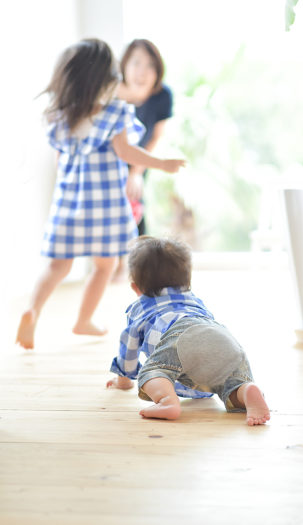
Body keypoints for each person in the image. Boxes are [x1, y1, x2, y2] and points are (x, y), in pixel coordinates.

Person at [15, 39, 185, 350]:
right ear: (103, 79)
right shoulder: (115, 113)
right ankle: (84, 320)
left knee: (57, 267)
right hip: (105, 208)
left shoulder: (59, 118)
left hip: (68, 206)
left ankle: (32, 310)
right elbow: (126, 151)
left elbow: (59, 159)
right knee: (105, 266)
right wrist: (161, 163)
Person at [106, 236, 270, 425]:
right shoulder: (194, 300)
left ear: (136, 288)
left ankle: (167, 401)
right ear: (187, 281)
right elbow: (202, 347)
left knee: (153, 371)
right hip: (220, 336)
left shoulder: (141, 308)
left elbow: (129, 345)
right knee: (229, 382)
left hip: (179, 334)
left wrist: (124, 379)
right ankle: (245, 390)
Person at [112, 39, 173, 281]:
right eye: (136, 63)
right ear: (124, 65)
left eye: (149, 65)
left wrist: (136, 172)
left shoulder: (162, 96)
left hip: (140, 159)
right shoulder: (111, 93)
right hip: (110, 161)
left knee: (136, 208)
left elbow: (155, 137)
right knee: (114, 213)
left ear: (157, 71)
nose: (142, 71)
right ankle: (113, 267)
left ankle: (136, 270)